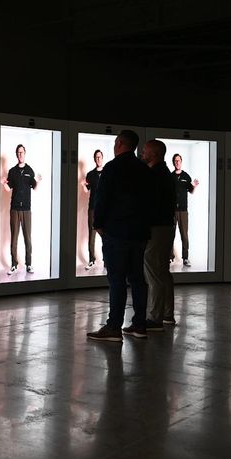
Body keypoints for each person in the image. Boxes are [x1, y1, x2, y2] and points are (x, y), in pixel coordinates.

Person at [87, 130, 151, 342]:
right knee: (137, 278)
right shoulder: (143, 169)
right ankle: (139, 324)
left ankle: (114, 326)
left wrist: (98, 224)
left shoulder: (112, 168)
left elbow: (102, 198)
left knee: (117, 280)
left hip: (117, 231)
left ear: (121, 143)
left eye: (116, 142)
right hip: (139, 232)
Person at [142, 140, 176, 330]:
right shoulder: (165, 174)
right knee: (163, 272)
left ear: (154, 154)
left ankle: (155, 318)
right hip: (166, 227)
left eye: (145, 151)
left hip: (156, 228)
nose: (142, 154)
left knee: (154, 273)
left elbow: (149, 204)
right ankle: (167, 314)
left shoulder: (154, 175)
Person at [1, 144, 40, 275]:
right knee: (14, 238)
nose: (20, 155)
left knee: (27, 238)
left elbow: (34, 187)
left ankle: (29, 264)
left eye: (22, 152)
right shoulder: (12, 171)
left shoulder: (30, 170)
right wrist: (3, 184)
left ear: (25, 153)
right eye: (18, 153)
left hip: (27, 209)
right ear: (16, 154)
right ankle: (14, 264)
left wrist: (38, 181)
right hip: (15, 209)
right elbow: (8, 188)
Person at [170, 154, 199, 267]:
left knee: (184, 235)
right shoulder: (170, 176)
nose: (177, 163)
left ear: (181, 162)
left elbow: (190, 190)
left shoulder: (186, 176)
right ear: (173, 162)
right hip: (172, 211)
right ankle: (170, 257)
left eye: (179, 161)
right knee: (170, 235)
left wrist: (194, 186)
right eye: (175, 161)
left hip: (183, 210)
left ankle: (185, 258)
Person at [82, 149, 104, 270]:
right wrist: (83, 186)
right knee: (92, 234)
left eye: (100, 157)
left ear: (102, 158)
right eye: (96, 157)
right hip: (92, 208)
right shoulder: (90, 174)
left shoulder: (108, 172)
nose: (98, 159)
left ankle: (106, 260)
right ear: (94, 159)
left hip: (105, 209)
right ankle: (92, 260)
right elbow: (87, 190)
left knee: (106, 234)